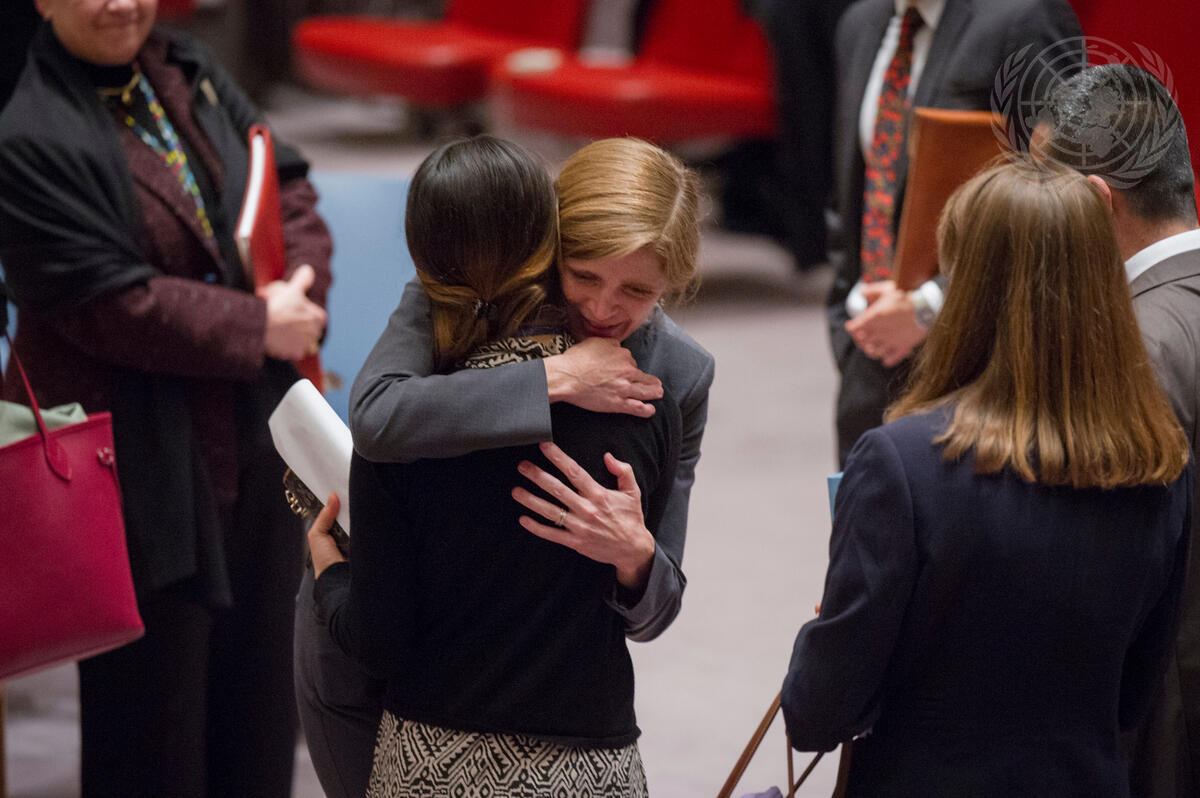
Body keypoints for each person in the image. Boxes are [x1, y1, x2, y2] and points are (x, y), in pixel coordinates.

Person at [294, 136, 714, 798]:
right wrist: (556, 378)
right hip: (374, 642)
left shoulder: (679, 374)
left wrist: (635, 558)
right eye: (584, 276)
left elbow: (655, 615)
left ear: (670, 287)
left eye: (637, 291)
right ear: (546, 243)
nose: (604, 310)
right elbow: (376, 416)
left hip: (561, 717)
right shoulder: (468, 287)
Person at [0, 1, 332, 795]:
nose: (120, 3)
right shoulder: (26, 133)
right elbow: (106, 302)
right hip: (139, 468)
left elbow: (283, 181)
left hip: (251, 441)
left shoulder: (186, 66)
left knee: (260, 707)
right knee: (152, 731)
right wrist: (258, 325)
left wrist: (299, 282)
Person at [781, 159, 1192, 795]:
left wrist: (836, 626)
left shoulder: (903, 464)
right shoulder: (1158, 460)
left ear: (969, 289)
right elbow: (1135, 691)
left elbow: (817, 712)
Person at [827, 0, 1082, 465]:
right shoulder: (859, 24)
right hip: (868, 356)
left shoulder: (1025, 18)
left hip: (984, 362)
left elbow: (1065, 201)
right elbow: (851, 191)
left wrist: (931, 305)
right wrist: (845, 320)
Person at [1040, 64, 1200, 798]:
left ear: (1098, 202)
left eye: (1046, 192)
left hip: (1163, 735)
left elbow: (1096, 589)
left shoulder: (1125, 350)